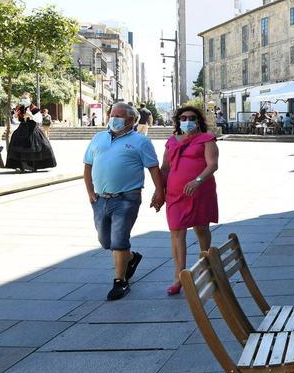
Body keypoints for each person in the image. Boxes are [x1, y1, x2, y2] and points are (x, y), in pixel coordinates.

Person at [83, 103, 163, 301]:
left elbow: (153, 168)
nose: (113, 119)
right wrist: (90, 192)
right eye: (112, 115)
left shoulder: (140, 141)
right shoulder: (99, 137)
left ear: (130, 120)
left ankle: (120, 281)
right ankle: (131, 258)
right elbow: (88, 165)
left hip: (127, 198)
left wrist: (160, 191)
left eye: (119, 116)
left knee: (119, 239)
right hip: (101, 198)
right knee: (106, 241)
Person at [162, 106, 219, 296]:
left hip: (200, 192)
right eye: (183, 118)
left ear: (198, 120)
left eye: (192, 118)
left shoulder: (207, 139)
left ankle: (206, 265)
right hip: (175, 195)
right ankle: (179, 277)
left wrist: (198, 181)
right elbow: (165, 168)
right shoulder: (171, 142)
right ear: (178, 121)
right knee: (176, 232)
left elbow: (213, 164)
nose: (187, 121)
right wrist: (159, 191)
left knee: (201, 229)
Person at [6, 97, 57, 172]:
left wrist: (31, 116)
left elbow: (39, 120)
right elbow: (16, 121)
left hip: (32, 129)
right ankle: (21, 166)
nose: (24, 99)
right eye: (23, 98)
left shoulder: (34, 108)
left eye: (26, 98)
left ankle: (32, 166)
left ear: (30, 99)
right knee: (18, 146)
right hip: (22, 129)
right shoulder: (20, 108)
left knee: (36, 146)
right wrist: (15, 116)